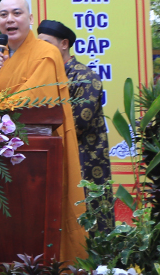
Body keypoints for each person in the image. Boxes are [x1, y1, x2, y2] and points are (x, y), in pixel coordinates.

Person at [0, 0, 85, 261]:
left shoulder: (46, 53)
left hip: (34, 153)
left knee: (33, 216)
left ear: (30, 19)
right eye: (3, 15)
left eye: (16, 13)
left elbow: (33, 99)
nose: (9, 19)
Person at [37, 19, 111, 187]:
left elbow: (77, 124)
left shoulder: (85, 77)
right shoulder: (45, 76)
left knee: (85, 201)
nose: (41, 50)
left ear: (64, 44)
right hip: (53, 154)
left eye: (46, 44)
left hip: (84, 158)